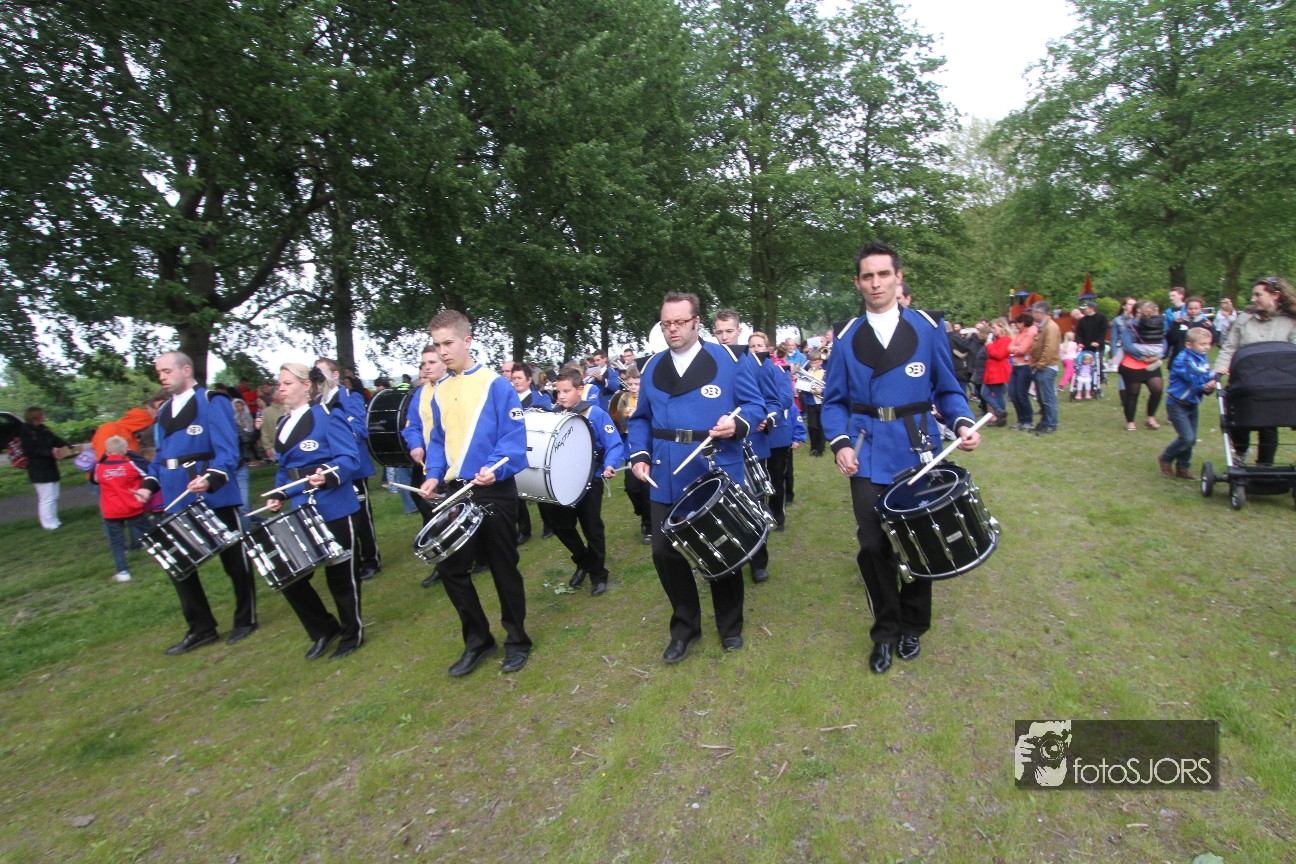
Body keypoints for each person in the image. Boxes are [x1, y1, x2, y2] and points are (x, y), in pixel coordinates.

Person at [821, 241, 981, 675]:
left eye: (883, 274)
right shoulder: (847, 337)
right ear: (858, 283)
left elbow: (948, 389)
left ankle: (913, 625)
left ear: (898, 277)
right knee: (873, 546)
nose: (876, 283)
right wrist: (841, 443)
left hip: (918, 448)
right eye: (867, 276)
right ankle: (885, 632)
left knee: (920, 542)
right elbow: (833, 402)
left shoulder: (927, 328)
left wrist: (962, 422)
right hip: (868, 451)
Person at [629, 293, 763, 663]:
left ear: (696, 322)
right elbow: (641, 419)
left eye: (680, 322)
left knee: (721, 548)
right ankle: (685, 627)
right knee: (664, 552)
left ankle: (730, 624)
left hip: (711, 468)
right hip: (665, 471)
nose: (673, 329)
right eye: (666, 323)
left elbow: (755, 406)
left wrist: (737, 424)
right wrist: (639, 454)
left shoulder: (728, 360)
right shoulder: (652, 367)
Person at [417, 310, 532, 676]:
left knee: (502, 568)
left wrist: (494, 467)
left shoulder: (495, 385)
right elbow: (438, 441)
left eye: (448, 343)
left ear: (467, 341)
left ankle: (517, 640)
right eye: (437, 345)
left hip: (494, 491)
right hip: (456, 492)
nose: (442, 351)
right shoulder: (439, 391)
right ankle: (479, 641)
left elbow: (514, 439)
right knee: (450, 568)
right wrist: (433, 475)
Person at [135, 351, 258, 654]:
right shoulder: (165, 411)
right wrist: (147, 486)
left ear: (186, 370)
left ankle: (246, 618)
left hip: (213, 492)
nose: (162, 377)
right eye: (159, 372)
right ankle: (201, 628)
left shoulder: (211, 401)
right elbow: (161, 456)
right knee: (179, 565)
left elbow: (227, 450)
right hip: (176, 496)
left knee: (234, 560)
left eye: (167, 371)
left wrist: (211, 479)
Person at [263, 363, 365, 660]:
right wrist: (279, 494)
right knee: (290, 576)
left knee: (341, 576)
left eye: (287, 383)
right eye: (280, 384)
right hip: (301, 510)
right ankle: (323, 629)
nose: (281, 389)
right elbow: (285, 470)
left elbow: (349, 459)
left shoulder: (329, 416)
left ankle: (352, 633)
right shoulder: (282, 424)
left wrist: (328, 474)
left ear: (306, 385)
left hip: (334, 505)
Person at [549, 368, 624, 596]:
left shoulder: (595, 413)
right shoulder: (553, 416)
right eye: (558, 391)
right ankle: (584, 561)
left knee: (592, 528)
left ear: (580, 390)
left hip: (590, 478)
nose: (561, 396)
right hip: (561, 481)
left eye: (566, 391)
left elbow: (614, 444)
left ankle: (598, 574)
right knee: (561, 526)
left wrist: (610, 465)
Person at [712, 309, 773, 585]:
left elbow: (768, 400)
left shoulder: (751, 361)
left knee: (752, 502)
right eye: (719, 332)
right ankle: (730, 558)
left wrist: (761, 419)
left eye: (729, 331)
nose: (724, 337)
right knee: (724, 505)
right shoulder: (712, 361)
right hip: (722, 444)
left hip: (750, 441)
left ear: (739, 332)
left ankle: (759, 561)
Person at [1213, 276, 1296, 464]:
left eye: (1258, 295)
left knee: (1268, 425)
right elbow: (1229, 347)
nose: (1253, 299)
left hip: (1275, 384)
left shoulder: (1290, 322)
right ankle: (1241, 452)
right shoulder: (1244, 320)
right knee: (1236, 420)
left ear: (1275, 295)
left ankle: (1265, 467)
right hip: (1245, 382)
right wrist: (1217, 372)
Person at [315, 358, 381, 581]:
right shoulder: (317, 404)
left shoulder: (349, 397)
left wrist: (338, 436)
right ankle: (352, 560)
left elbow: (360, 430)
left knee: (362, 517)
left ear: (335, 375)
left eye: (321, 373)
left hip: (353, 468)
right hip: (331, 470)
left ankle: (371, 559)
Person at [1158, 328, 1217, 480]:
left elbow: (1203, 379)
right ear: (1189, 345)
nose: (1206, 347)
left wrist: (1209, 386)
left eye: (1208, 344)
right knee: (1187, 438)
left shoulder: (1203, 358)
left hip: (1192, 404)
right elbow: (1194, 376)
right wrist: (1212, 377)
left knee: (1192, 439)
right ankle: (1165, 458)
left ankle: (1183, 467)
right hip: (1177, 404)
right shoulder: (1183, 359)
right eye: (1202, 344)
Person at [749, 331, 794, 531]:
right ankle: (760, 516)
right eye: (752, 346)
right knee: (757, 479)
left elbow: (786, 399)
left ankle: (778, 516)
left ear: (767, 348)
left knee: (776, 476)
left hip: (776, 432)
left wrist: (765, 415)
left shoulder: (779, 370)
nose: (756, 349)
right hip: (755, 433)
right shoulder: (745, 372)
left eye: (759, 345)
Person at [94, 435, 154, 582]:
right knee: (151, 533)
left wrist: (104, 458)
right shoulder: (131, 466)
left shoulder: (99, 467)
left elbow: (94, 480)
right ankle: (170, 553)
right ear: (125, 450)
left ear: (106, 451)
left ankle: (122, 571)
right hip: (132, 508)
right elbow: (149, 469)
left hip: (111, 511)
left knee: (117, 542)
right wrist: (132, 454)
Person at [508, 362, 553, 546]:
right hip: (515, 449)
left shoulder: (541, 398)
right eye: (514, 378)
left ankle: (549, 524)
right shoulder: (509, 400)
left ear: (528, 380)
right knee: (517, 491)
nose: (516, 381)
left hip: (536, 447)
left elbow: (548, 418)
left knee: (538, 486)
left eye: (520, 378)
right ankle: (524, 530)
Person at [20, 407, 73, 530]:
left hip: (50, 467)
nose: (44, 417)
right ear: (34, 417)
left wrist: (69, 448)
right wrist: (49, 452)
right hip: (38, 469)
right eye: (41, 415)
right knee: (46, 498)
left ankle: (54, 520)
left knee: (54, 495)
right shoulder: (26, 432)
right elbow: (30, 451)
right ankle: (48, 523)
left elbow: (57, 440)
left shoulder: (43, 430)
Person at [1117, 300, 1166, 432]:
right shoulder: (1129, 327)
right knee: (1133, 393)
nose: (1143, 315)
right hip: (1132, 364)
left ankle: (1150, 417)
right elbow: (1128, 346)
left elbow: (1163, 341)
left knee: (1157, 389)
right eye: (1139, 313)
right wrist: (1142, 357)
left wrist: (1159, 355)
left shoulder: (1157, 324)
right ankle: (1130, 421)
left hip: (1152, 363)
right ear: (1135, 313)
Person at [618, 365, 652, 543]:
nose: (633, 387)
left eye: (636, 384)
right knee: (631, 488)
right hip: (629, 450)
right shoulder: (623, 399)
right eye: (630, 384)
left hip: (647, 449)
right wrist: (626, 418)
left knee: (646, 490)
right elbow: (619, 424)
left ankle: (649, 527)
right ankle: (641, 512)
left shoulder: (648, 397)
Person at [1029, 301, 1061, 434]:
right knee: (1042, 398)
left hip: (1047, 367)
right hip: (1042, 367)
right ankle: (1044, 422)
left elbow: (1049, 348)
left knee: (1048, 398)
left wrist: (1040, 365)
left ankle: (1051, 424)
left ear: (1039, 313)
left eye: (1033, 312)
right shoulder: (1044, 326)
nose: (1032, 314)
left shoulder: (1051, 327)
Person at [1007, 312, 1037, 430]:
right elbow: (1009, 347)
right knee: (1013, 393)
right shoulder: (1019, 333)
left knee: (1021, 394)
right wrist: (1016, 349)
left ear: (1023, 323)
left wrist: (1015, 350)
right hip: (1016, 366)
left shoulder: (1031, 332)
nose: (1016, 325)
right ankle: (1020, 419)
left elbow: (1023, 350)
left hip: (1025, 366)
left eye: (1018, 323)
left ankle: (1028, 420)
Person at [980, 318, 1012, 425]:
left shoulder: (1006, 340)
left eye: (994, 328)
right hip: (991, 372)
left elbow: (998, 355)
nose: (992, 330)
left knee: (998, 394)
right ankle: (999, 411)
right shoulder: (997, 340)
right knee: (985, 393)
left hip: (998, 371)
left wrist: (989, 345)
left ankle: (1001, 417)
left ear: (1002, 327)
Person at [798, 349, 827, 454]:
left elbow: (829, 387)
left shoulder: (824, 373)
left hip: (821, 403)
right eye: (811, 362)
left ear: (821, 362)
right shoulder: (807, 373)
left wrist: (821, 390)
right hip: (811, 403)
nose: (813, 365)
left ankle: (820, 449)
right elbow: (802, 385)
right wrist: (802, 386)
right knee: (811, 425)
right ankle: (813, 447)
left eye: (816, 362)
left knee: (820, 426)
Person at [1074, 300, 1109, 370]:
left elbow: (1103, 332)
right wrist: (1079, 342)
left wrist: (1098, 342)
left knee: (1098, 366)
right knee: (1085, 366)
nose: (1084, 310)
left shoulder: (1101, 318)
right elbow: (1078, 333)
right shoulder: (1082, 320)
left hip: (1098, 348)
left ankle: (1100, 375)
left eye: (1085, 308)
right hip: (1086, 348)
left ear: (1091, 308)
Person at [1164, 287, 1188, 363]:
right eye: (1170, 296)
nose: (1171, 298)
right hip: (1175, 341)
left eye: (1173, 295)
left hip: (1187, 337)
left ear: (1181, 296)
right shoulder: (1168, 311)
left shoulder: (1188, 308)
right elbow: (1166, 328)